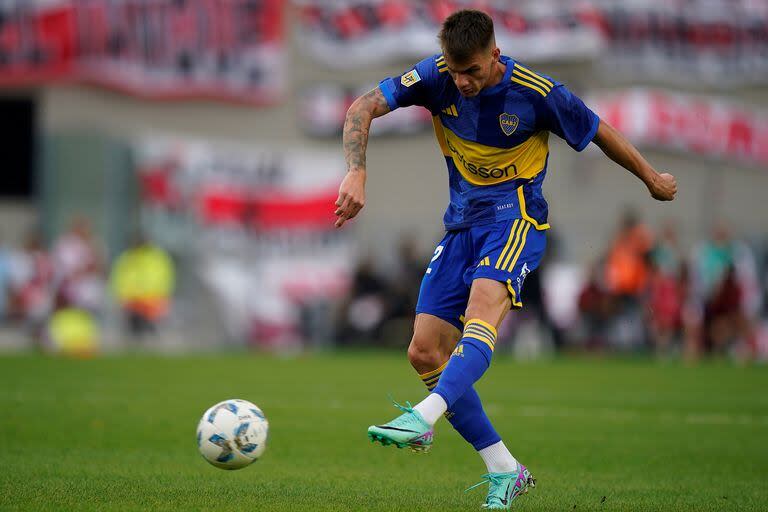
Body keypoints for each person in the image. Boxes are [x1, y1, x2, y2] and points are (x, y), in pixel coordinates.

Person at [333, 10, 677, 509]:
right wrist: (356, 172)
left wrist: (650, 177)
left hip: (514, 217)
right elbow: (361, 107)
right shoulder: (435, 76)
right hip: (460, 225)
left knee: (481, 310)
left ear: (494, 55)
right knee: (424, 351)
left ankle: (423, 417)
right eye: (455, 71)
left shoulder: (537, 93)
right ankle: (505, 470)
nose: (462, 81)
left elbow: (598, 130)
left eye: (471, 70)